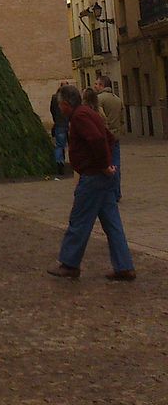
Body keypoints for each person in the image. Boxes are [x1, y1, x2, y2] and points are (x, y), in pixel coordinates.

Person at [47, 83, 135, 281]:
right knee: (112, 223)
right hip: (102, 179)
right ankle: (124, 266)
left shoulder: (79, 117)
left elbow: (97, 139)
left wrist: (104, 165)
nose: (60, 108)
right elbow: (109, 138)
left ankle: (69, 263)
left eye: (61, 105)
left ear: (67, 104)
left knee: (79, 220)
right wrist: (109, 163)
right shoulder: (88, 112)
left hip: (93, 177)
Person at [94, 74, 124, 201]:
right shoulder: (117, 99)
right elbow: (122, 119)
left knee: (106, 164)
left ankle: (108, 193)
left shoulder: (99, 99)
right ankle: (117, 192)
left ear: (102, 85)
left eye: (96, 84)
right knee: (116, 164)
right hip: (116, 136)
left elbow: (98, 118)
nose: (95, 86)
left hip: (105, 136)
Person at [49, 78, 73, 178]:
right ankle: (74, 162)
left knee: (59, 145)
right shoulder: (71, 98)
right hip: (70, 124)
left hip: (59, 123)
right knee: (73, 145)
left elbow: (52, 110)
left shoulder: (55, 97)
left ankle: (59, 161)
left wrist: (55, 119)